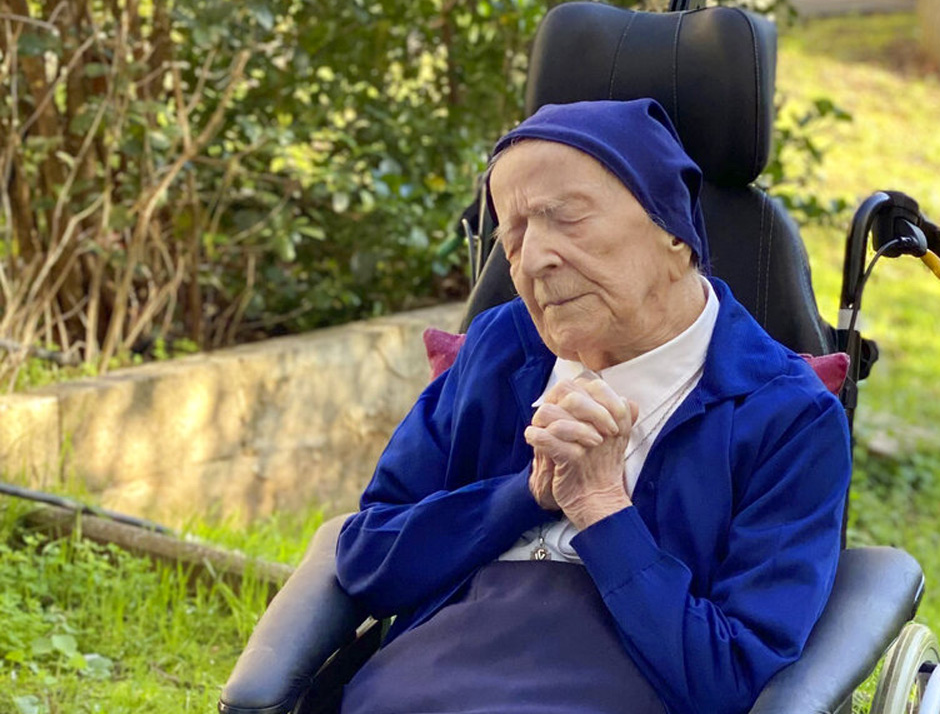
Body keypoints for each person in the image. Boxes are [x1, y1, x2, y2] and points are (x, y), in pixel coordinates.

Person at [335, 98, 851, 714]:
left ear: (675, 235)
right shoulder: (500, 351)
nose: (533, 260)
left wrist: (602, 506)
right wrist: (524, 495)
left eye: (567, 218)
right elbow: (368, 558)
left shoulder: (789, 419)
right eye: (514, 234)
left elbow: (729, 676)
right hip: (419, 686)